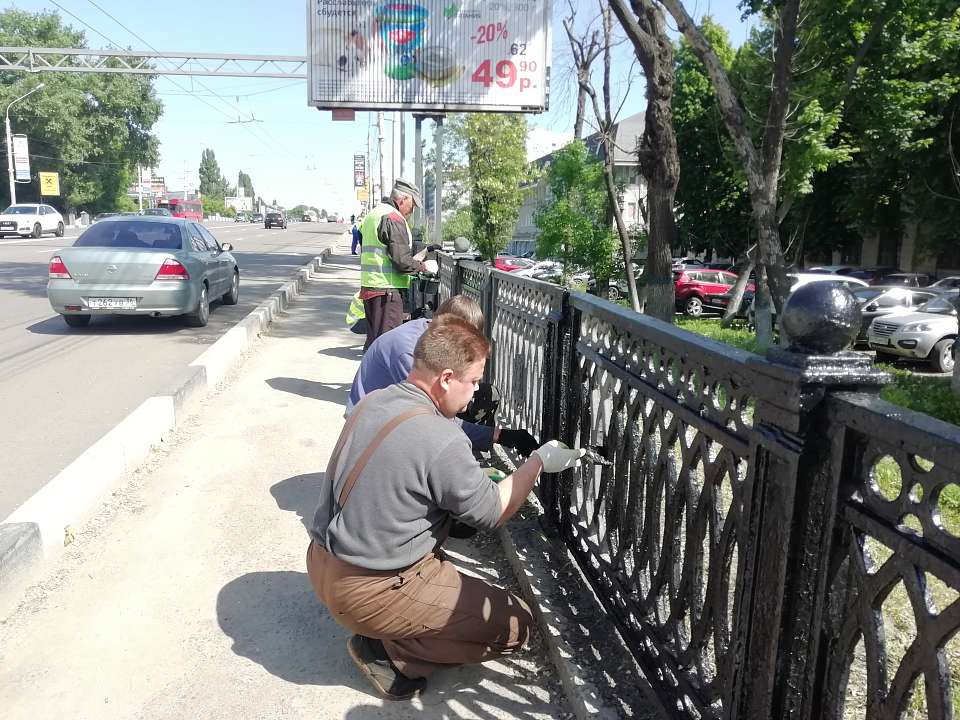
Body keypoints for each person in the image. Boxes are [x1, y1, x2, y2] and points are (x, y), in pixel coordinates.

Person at [306, 318, 583, 700]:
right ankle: (387, 651)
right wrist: (536, 462)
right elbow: (491, 512)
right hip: (367, 590)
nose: (476, 392)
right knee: (516, 625)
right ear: (447, 378)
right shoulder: (442, 436)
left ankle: (392, 620)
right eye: (473, 381)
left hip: (321, 563)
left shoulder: (375, 401)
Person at [347, 294, 539, 457]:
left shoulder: (428, 333)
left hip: (393, 415)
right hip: (371, 429)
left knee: (483, 396)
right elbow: (432, 418)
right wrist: (499, 436)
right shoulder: (409, 352)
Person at [359, 179, 438, 350]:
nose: (413, 209)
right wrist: (424, 267)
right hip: (387, 293)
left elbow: (388, 253)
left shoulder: (374, 214)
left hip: (372, 288)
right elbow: (401, 261)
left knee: (375, 346)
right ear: (403, 199)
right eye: (413, 204)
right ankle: (378, 378)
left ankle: (370, 377)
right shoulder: (394, 218)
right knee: (388, 348)